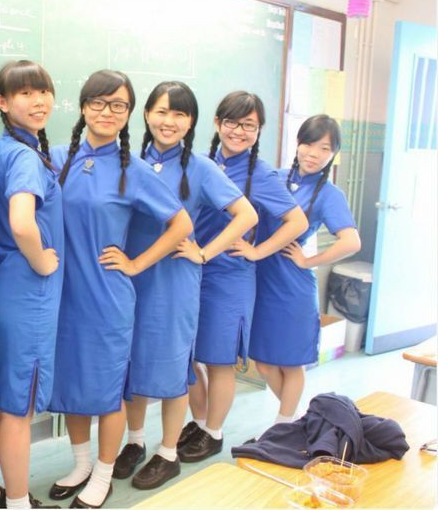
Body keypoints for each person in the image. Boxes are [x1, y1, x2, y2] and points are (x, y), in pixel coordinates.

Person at [48, 70, 193, 509]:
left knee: (108, 391)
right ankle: (80, 464)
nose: (107, 112)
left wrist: (135, 263)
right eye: (98, 102)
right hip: (63, 296)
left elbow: (181, 224)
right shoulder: (57, 159)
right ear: (83, 106)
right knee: (72, 383)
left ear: (130, 113)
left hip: (108, 298)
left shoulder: (135, 171)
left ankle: (104, 474)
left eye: (118, 105)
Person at [115, 81, 257, 490]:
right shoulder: (131, 161)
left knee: (174, 366)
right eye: (161, 111)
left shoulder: (201, 167)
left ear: (191, 121)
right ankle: (135, 441)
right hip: (132, 278)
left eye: (179, 114)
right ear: (146, 114)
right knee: (132, 362)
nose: (169, 121)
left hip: (174, 283)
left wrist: (204, 253)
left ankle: (168, 453)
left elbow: (246, 215)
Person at [183, 91, 308, 463]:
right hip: (191, 271)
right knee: (189, 357)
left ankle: (214, 432)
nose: (239, 131)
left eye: (248, 125)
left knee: (218, 360)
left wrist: (257, 251)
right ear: (217, 123)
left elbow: (297, 222)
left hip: (230, 278)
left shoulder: (261, 174)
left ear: (259, 130)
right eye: (232, 123)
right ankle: (199, 423)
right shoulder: (201, 164)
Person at [0, 60, 62, 510]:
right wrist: (42, 261)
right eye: (25, 93)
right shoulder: (25, 156)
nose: (38, 101)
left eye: (43, 91)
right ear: (3, 103)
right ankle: (19, 502)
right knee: (19, 407)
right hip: (29, 293)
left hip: (4, 287)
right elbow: (22, 222)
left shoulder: (8, 147)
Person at [250, 114, 360, 424]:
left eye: (324, 149)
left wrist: (308, 261)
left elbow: (351, 241)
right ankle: (296, 418)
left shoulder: (329, 194)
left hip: (292, 287)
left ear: (333, 154)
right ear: (298, 143)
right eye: (309, 144)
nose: (314, 154)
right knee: (264, 363)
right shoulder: (275, 177)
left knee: (291, 362)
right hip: (260, 280)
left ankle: (284, 424)